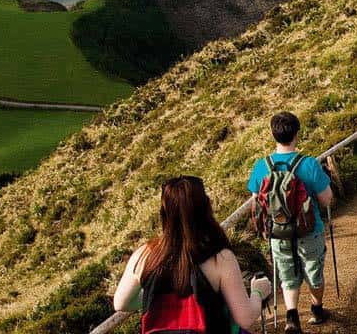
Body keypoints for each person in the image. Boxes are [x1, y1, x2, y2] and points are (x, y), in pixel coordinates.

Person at [113, 176, 273, 334]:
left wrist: (158, 298)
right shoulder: (220, 258)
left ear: (164, 212)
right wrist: (258, 292)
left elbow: (120, 303)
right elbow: (245, 318)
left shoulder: (144, 254)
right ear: (205, 208)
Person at [246, 111, 335, 333]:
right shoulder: (309, 164)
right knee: (314, 272)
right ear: (297, 133)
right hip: (309, 230)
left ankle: (292, 318)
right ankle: (317, 310)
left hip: (278, 232)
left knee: (287, 275)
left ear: (272, 134)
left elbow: (256, 201)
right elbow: (326, 200)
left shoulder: (261, 166)